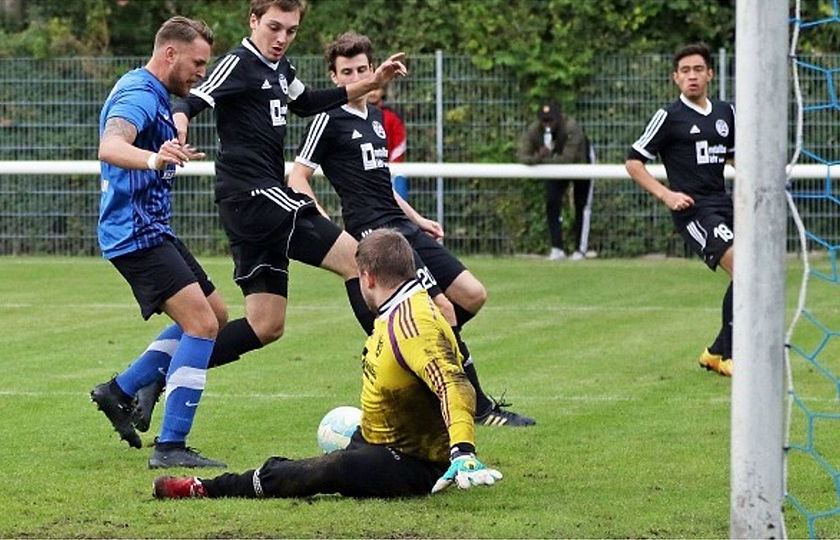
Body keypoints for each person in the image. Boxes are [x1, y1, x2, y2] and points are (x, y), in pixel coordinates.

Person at [288, 32, 534, 427]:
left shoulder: (377, 118)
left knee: (472, 295)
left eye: (362, 69)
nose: (357, 76)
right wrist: (323, 224)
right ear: (335, 78)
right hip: (375, 235)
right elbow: (298, 175)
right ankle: (477, 407)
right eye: (346, 71)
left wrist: (418, 218)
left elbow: (381, 183)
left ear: (372, 71)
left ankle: (412, 353)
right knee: (444, 309)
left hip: (401, 224)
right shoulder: (326, 117)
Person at [153, 229, 503, 500]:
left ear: (367, 277)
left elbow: (454, 384)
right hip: (379, 440)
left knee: (332, 468)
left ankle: (207, 487)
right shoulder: (396, 307)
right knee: (331, 456)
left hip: (415, 463)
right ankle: (271, 473)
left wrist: (463, 452)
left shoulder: (414, 323)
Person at [164, 1, 405, 372]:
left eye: (290, 31)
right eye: (274, 28)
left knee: (266, 325)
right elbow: (192, 101)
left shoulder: (281, 68)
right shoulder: (238, 62)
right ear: (253, 20)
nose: (281, 39)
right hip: (253, 196)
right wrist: (180, 122)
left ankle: (139, 382)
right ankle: (389, 365)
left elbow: (306, 103)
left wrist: (372, 82)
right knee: (358, 258)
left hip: (255, 204)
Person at [90, 16, 230, 469]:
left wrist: (172, 139)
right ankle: (171, 447)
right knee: (202, 326)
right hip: (135, 234)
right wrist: (153, 157)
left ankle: (121, 390)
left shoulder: (155, 95)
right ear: (170, 54)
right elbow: (111, 145)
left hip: (153, 230)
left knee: (218, 315)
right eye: (197, 63)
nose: (201, 73)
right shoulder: (136, 93)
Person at [625, 42, 735, 377]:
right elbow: (633, 162)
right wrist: (667, 195)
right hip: (694, 211)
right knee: (746, 271)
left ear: (710, 74)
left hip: (725, 204)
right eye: (685, 71)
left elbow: (733, 156)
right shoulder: (668, 117)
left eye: (698, 70)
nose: (692, 76)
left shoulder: (727, 112)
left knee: (753, 274)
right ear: (675, 78)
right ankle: (730, 355)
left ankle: (716, 352)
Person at [518, 99, 593, 261]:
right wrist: (539, 156)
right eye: (543, 120)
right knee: (552, 202)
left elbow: (569, 158)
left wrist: (542, 161)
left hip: (581, 162)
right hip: (553, 164)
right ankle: (557, 248)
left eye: (550, 120)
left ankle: (580, 249)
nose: (547, 124)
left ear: (558, 118)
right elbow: (523, 156)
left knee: (582, 204)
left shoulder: (571, 127)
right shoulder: (534, 130)